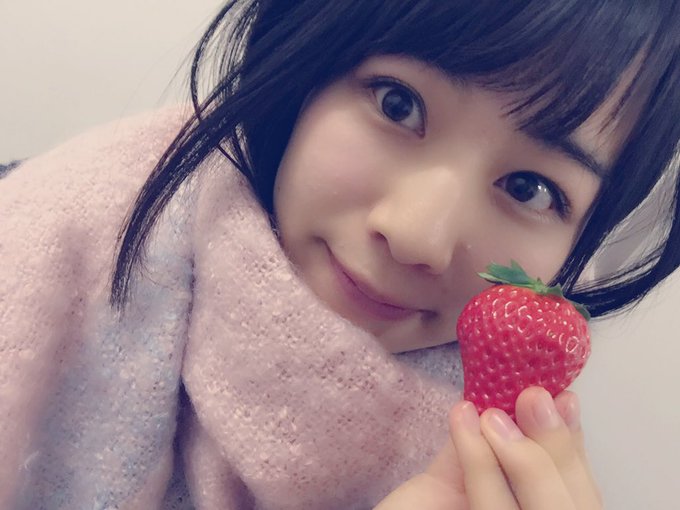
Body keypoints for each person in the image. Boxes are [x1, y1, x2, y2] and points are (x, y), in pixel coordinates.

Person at [1, 1, 678, 508]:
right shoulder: (44, 236)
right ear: (309, 69)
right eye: (398, 103)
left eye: (529, 188)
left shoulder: (508, 463)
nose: (417, 235)